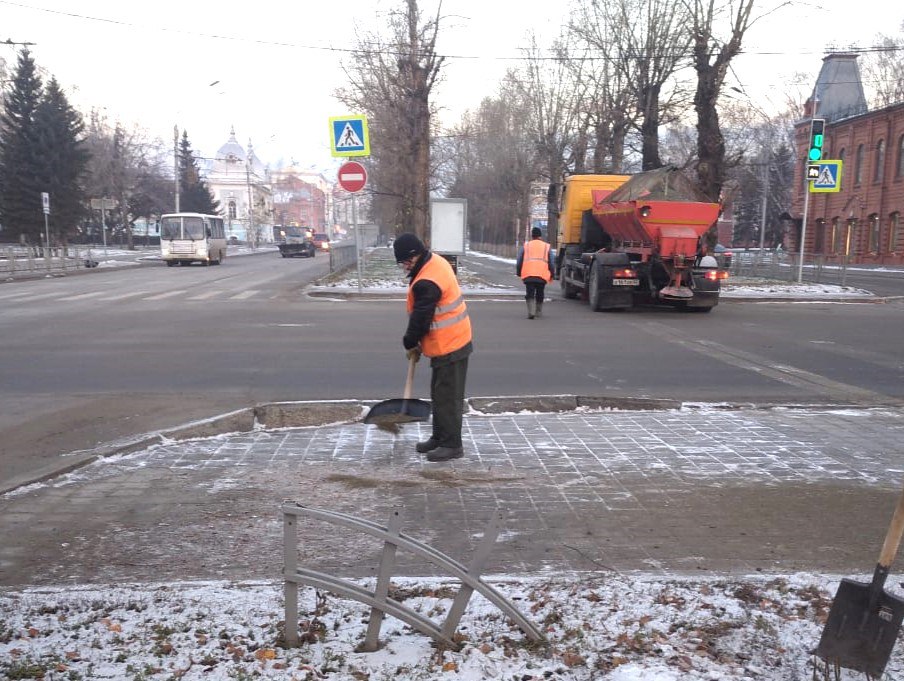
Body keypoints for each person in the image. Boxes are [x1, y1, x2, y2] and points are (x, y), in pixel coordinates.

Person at [394, 233, 473, 462]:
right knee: (440, 395)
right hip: (448, 341)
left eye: (405, 262)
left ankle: (452, 445)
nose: (404, 267)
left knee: (448, 397)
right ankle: (439, 438)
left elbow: (421, 317)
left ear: (414, 256)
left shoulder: (427, 282)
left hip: (451, 344)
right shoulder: (434, 262)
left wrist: (410, 341)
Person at [516, 226, 555, 319]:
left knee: (530, 293)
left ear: (532, 235)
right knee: (540, 293)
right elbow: (552, 262)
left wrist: (518, 271)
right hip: (542, 274)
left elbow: (519, 260)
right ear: (540, 236)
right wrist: (552, 273)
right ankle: (538, 311)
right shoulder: (546, 246)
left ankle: (531, 311)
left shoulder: (526, 246)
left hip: (528, 274)